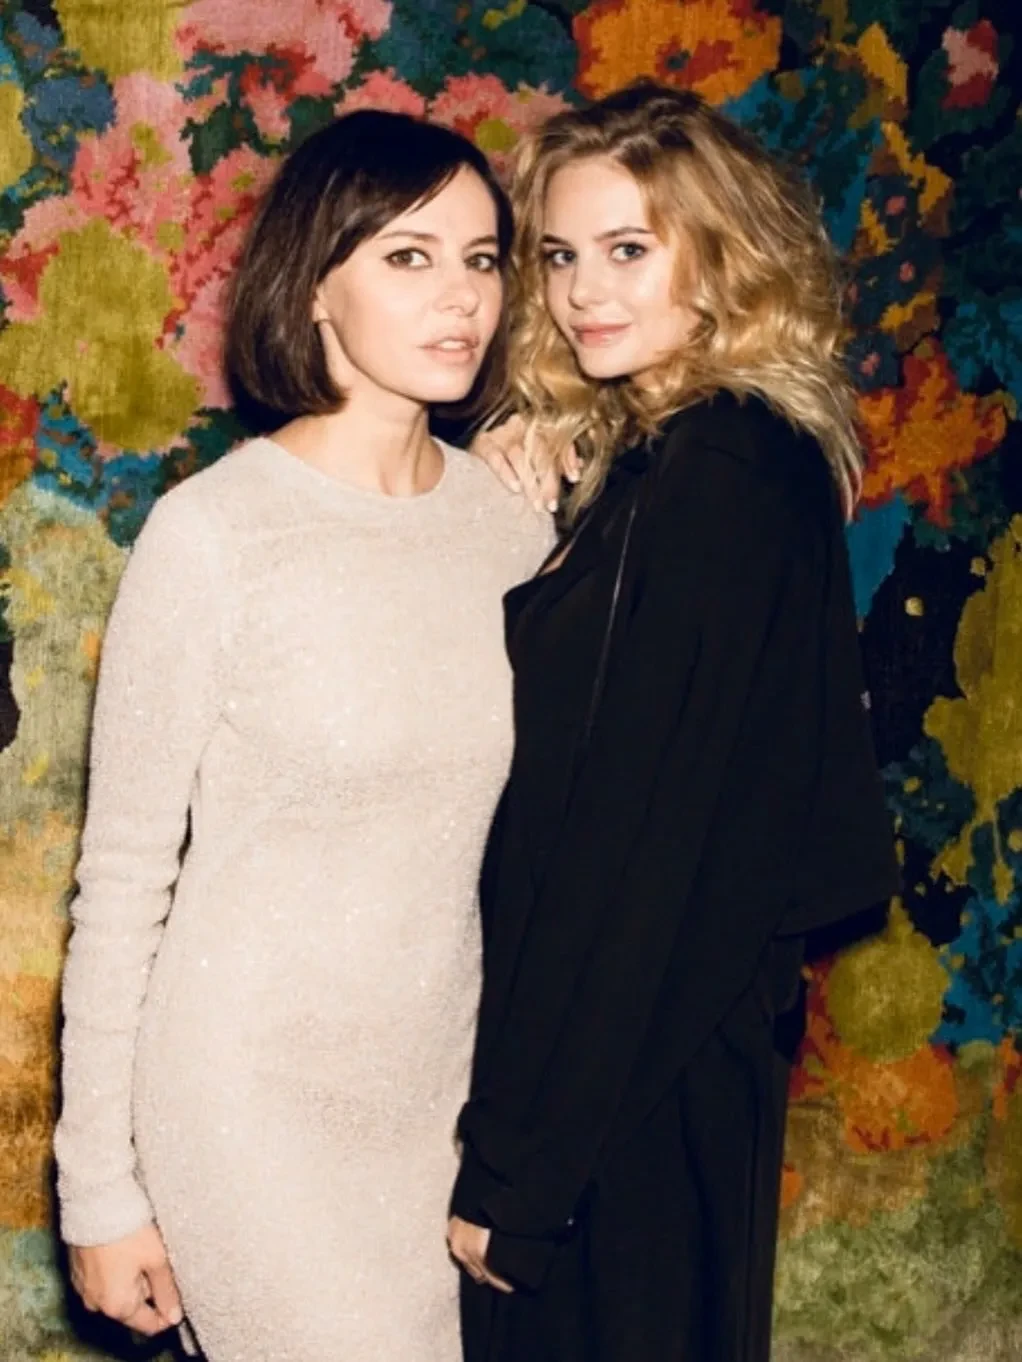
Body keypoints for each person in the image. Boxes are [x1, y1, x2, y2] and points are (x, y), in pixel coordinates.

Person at [54, 109, 551, 1362]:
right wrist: (96, 1187)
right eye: (408, 256)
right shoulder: (216, 536)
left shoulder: (512, 526)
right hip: (248, 1107)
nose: (461, 296)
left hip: (444, 1108)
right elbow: (122, 881)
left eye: (481, 259)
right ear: (315, 283)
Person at [447, 82, 900, 1362]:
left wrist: (522, 1175)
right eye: (558, 256)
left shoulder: (720, 476)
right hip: (640, 1070)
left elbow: (633, 857)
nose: (582, 292)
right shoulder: (674, 461)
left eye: (627, 249)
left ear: (720, 258)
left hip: (625, 1094)